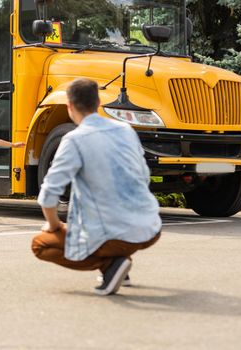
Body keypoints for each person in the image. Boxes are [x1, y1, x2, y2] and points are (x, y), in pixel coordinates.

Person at [31, 78, 162, 296]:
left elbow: (49, 194)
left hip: (113, 234)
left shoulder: (74, 139)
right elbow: (144, 175)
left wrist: (54, 225)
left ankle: (110, 266)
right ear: (99, 102)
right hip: (151, 228)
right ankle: (119, 261)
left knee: (40, 244)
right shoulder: (126, 130)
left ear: (69, 106)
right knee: (109, 229)